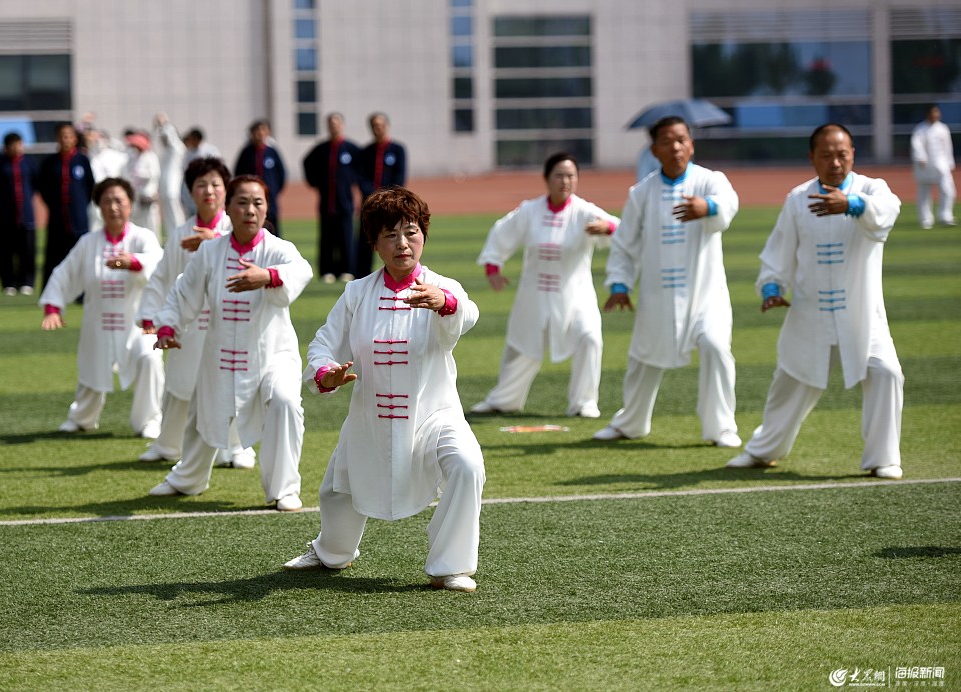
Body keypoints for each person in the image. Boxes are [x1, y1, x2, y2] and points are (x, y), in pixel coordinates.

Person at [284, 186, 485, 593]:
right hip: (369, 417)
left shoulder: (441, 286)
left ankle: (450, 566)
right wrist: (326, 374)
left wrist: (445, 302)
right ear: (375, 243)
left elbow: (468, 313)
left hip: (434, 414)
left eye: (411, 232)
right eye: (390, 234)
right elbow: (324, 343)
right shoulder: (357, 293)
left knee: (468, 464)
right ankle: (330, 552)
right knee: (338, 491)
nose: (402, 243)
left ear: (423, 235)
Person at [726, 124, 904, 479]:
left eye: (842, 154)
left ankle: (883, 458)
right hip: (810, 311)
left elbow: (887, 212)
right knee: (791, 380)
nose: (835, 162)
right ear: (812, 158)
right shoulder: (797, 199)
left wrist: (852, 204)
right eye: (826, 155)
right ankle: (763, 451)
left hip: (862, 312)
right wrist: (772, 288)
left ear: (853, 154)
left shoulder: (871, 189)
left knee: (886, 372)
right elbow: (780, 251)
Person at [148, 175, 312, 510]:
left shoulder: (279, 249)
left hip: (272, 352)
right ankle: (187, 479)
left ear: (267, 210)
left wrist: (268, 276)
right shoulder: (210, 251)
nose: (250, 210)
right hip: (221, 350)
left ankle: (284, 489)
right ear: (228, 207)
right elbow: (183, 293)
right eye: (242, 202)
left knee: (284, 402)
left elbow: (302, 270)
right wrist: (168, 327)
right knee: (204, 412)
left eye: (258, 203)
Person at [594, 115, 741, 448]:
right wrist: (619, 283)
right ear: (654, 149)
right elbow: (625, 243)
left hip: (706, 294)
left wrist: (709, 207)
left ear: (691, 144)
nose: (675, 147)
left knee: (716, 347)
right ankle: (630, 423)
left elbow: (729, 204)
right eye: (667, 141)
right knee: (644, 357)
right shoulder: (642, 192)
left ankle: (721, 428)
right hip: (658, 293)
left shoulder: (709, 181)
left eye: (681, 140)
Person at [470, 152, 618, 418]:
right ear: (546, 179)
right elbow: (503, 231)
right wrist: (493, 265)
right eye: (559, 175)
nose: (565, 181)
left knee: (590, 337)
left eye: (571, 175)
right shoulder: (530, 210)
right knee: (521, 345)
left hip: (575, 292)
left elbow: (622, 229)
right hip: (534, 291)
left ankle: (584, 402)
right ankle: (504, 400)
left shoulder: (585, 211)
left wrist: (608, 227)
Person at [136, 157, 254, 469]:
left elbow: (250, 262)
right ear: (190, 191)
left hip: (229, 323)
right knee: (180, 384)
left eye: (216, 184)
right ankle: (167, 444)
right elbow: (162, 277)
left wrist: (212, 240)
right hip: (189, 324)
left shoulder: (235, 228)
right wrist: (151, 316)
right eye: (201, 185)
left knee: (231, 384)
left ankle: (236, 447)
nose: (209, 191)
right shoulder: (180, 233)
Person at [39, 177, 164, 438]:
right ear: (98, 206)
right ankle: (82, 417)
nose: (113, 207)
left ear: (130, 204)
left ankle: (149, 420)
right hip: (99, 320)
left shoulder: (143, 237)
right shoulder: (89, 242)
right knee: (91, 369)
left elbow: (159, 265)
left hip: (138, 323)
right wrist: (53, 307)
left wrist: (134, 262)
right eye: (106, 201)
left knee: (150, 358)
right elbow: (65, 273)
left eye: (119, 200)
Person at [303, 112, 360, 283]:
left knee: (346, 237)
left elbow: (362, 168)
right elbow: (306, 163)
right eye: (330, 123)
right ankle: (327, 270)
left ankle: (347, 270)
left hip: (345, 202)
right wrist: (315, 182)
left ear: (342, 125)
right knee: (327, 238)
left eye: (336, 123)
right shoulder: (321, 149)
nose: (333, 126)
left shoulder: (351, 149)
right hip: (326, 202)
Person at [37, 122, 95, 289]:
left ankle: (83, 294)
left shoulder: (82, 161)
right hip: (57, 218)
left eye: (69, 136)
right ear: (57, 138)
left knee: (81, 257)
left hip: (78, 218)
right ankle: (50, 292)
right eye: (62, 136)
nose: (65, 139)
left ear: (75, 138)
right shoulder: (49, 162)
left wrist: (80, 205)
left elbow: (90, 186)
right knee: (53, 257)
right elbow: (43, 188)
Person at [354, 112, 407, 278]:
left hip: (391, 204)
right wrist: (373, 195)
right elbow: (360, 177)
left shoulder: (398, 150)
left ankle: (395, 273)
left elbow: (400, 177)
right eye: (375, 126)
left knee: (393, 238)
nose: (378, 129)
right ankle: (362, 277)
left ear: (387, 126)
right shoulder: (365, 152)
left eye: (381, 125)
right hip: (369, 204)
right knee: (365, 242)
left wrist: (385, 196)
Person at [0, 133, 38, 296]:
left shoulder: (29, 163)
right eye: (14, 145)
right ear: (7, 147)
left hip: (26, 215)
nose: (18, 148)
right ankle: (8, 283)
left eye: (20, 144)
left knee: (28, 251)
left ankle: (27, 282)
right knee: (6, 252)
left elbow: (36, 185)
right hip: (6, 217)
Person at [233, 119, 286, 236]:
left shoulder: (272, 152)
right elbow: (238, 175)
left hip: (270, 200)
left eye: (263, 130)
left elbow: (281, 174)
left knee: (274, 231)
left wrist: (274, 190)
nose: (260, 133)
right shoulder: (246, 153)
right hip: (250, 200)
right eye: (256, 131)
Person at [911, 104, 956, 229]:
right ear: (928, 114)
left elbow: (948, 147)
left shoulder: (943, 129)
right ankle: (926, 219)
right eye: (934, 112)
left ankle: (945, 216)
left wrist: (949, 161)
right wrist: (920, 157)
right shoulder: (920, 129)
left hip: (941, 164)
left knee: (948, 189)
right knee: (924, 192)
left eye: (937, 112)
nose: (936, 115)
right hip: (925, 164)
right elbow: (916, 145)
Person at [153, 113, 187, 237]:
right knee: (167, 213)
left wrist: (164, 124)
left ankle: (179, 234)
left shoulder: (177, 148)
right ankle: (172, 236)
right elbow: (158, 137)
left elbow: (169, 134)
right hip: (165, 186)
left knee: (174, 211)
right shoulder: (165, 151)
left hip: (172, 187)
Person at [124, 129, 161, 234]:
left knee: (151, 223)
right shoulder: (134, 157)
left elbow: (154, 174)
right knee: (138, 222)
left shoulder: (151, 156)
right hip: (138, 196)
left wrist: (141, 174)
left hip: (148, 195)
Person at [181, 127, 221, 217]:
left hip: (207, 185)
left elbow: (218, 168)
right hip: (192, 187)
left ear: (196, 139)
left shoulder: (210, 150)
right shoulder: (188, 153)